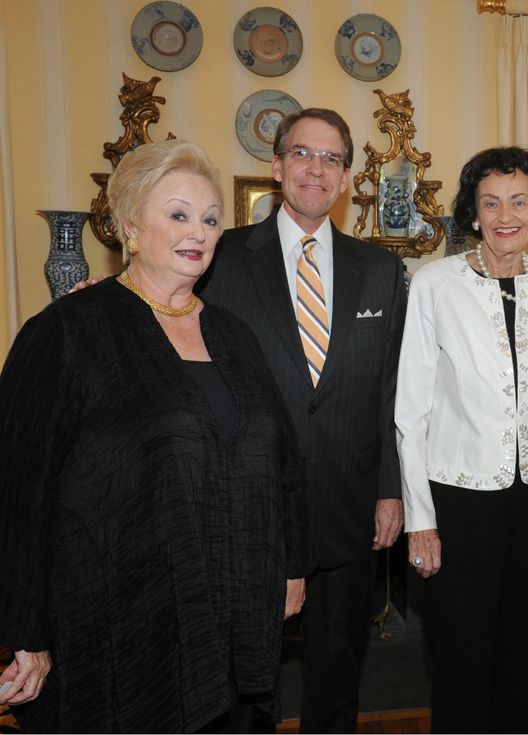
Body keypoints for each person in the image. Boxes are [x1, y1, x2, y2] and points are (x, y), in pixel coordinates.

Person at [0, 140, 310, 732]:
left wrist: (291, 566)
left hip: (236, 611)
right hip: (116, 624)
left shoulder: (233, 335)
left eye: (211, 218)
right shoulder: (67, 331)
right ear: (128, 225)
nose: (198, 231)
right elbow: (18, 492)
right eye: (178, 214)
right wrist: (24, 632)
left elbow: (282, 461)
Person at [196, 108, 407, 734]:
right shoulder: (221, 256)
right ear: (277, 164)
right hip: (251, 504)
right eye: (302, 154)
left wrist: (390, 488)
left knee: (338, 665)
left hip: (350, 499)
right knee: (248, 672)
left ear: (346, 177)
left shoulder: (382, 270)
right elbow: (162, 312)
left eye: (331, 158)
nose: (316, 168)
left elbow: (392, 389)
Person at [395, 146, 528, 732]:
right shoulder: (434, 284)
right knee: (461, 646)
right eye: (491, 202)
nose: (506, 214)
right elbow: (411, 409)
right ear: (473, 214)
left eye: (519, 201)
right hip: (460, 497)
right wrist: (419, 520)